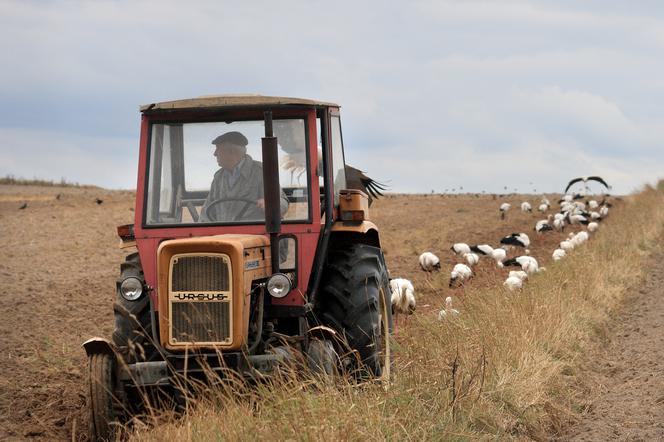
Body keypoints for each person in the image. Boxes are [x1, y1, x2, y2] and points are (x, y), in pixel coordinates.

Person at [200, 131, 289, 223]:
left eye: (218, 149)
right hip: (223, 235)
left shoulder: (261, 172)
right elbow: (206, 212)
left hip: (254, 234)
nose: (214, 154)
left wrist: (270, 204)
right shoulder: (219, 177)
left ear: (231, 152)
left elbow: (282, 202)